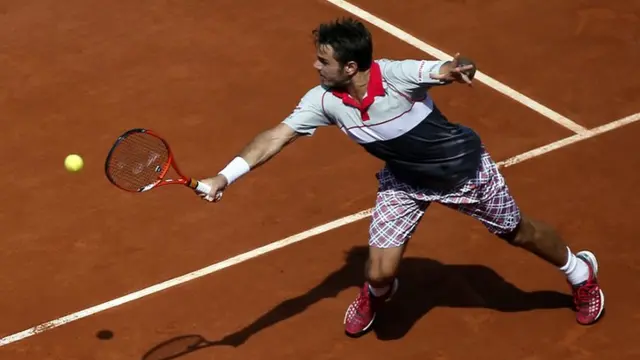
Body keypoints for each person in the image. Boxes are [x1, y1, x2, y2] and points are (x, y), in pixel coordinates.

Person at [195, 17, 605, 337]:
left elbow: (447, 67)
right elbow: (274, 138)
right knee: (377, 273)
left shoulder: (396, 75)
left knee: (520, 233)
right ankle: (378, 295)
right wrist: (223, 177)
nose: (315, 65)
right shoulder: (322, 101)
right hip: (405, 182)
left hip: (464, 171)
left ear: (350, 66)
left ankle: (579, 273)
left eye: (323, 61)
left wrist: (461, 68)